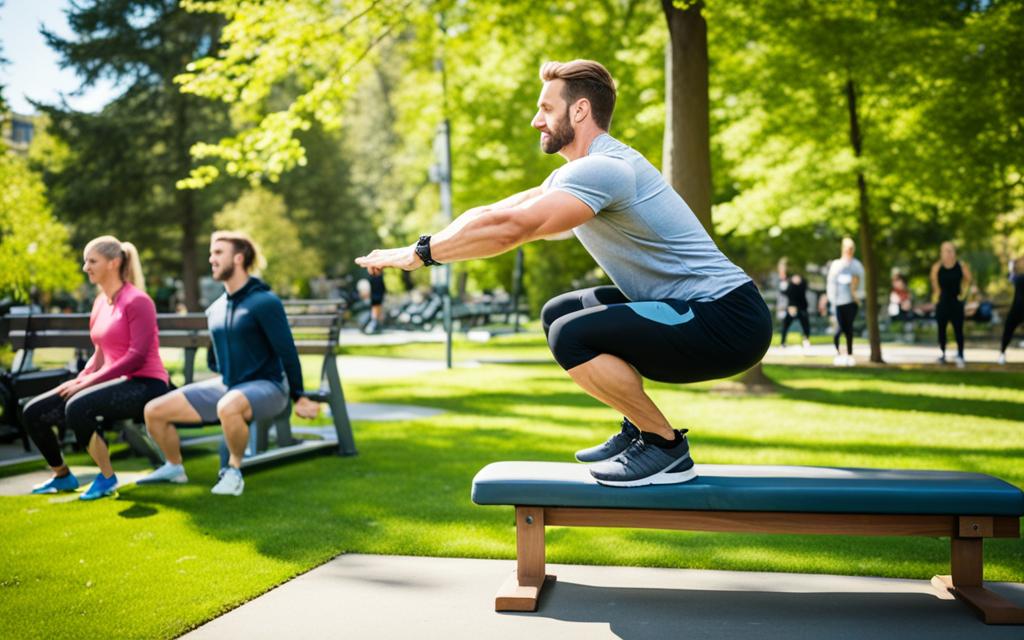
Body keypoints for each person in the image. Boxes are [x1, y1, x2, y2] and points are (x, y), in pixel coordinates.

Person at [356, 59, 771, 488]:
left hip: (726, 320)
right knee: (562, 311)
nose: (537, 121)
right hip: (698, 312)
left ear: (579, 111)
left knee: (571, 334)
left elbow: (511, 230)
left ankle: (663, 446)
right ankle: (638, 426)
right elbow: (497, 212)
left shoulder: (605, 169)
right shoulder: (578, 172)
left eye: (546, 109)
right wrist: (417, 247)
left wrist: (421, 256)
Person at [138, 231, 319, 496]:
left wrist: (299, 395)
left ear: (238, 258)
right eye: (211, 253)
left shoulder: (265, 302)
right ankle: (174, 467)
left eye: (218, 252)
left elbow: (287, 351)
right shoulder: (215, 309)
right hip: (229, 386)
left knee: (228, 404)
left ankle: (233, 472)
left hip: (269, 386)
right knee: (154, 411)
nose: (211, 259)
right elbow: (215, 359)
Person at [24, 236, 170, 500]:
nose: (85, 267)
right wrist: (80, 379)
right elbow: (100, 354)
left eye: (92, 261)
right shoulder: (101, 302)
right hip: (113, 381)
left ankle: (106, 478)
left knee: (78, 406)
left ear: (113, 263)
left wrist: (87, 384)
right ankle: (62, 475)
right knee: (34, 411)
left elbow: (136, 357)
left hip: (146, 384)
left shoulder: (138, 301)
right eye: (85, 261)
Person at [930, 241, 972, 368]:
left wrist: (963, 295)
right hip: (942, 302)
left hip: (956, 301)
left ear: (954, 252)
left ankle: (960, 354)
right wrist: (937, 296)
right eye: (945, 250)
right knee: (941, 329)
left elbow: (968, 281)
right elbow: (934, 283)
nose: (948, 253)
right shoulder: (937, 267)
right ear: (941, 253)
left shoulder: (961, 266)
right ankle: (942, 353)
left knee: (958, 329)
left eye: (951, 250)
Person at [825, 238, 864, 366]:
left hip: (852, 302)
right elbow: (831, 284)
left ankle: (849, 355)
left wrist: (858, 297)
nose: (849, 251)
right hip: (839, 302)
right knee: (839, 329)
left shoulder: (857, 266)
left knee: (849, 329)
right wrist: (832, 300)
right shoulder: (836, 265)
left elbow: (861, 283)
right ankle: (838, 353)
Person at [777, 259, 811, 349]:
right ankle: (783, 342)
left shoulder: (801, 280)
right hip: (791, 306)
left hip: (801, 306)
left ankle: (806, 340)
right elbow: (784, 292)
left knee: (805, 324)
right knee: (786, 324)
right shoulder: (785, 281)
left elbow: (803, 287)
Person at [998, 256, 1024, 366]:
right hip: (1017, 309)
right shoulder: (1018, 278)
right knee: (1008, 330)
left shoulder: (1018, 278)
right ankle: (1002, 353)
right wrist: (1011, 265)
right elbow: (1010, 277)